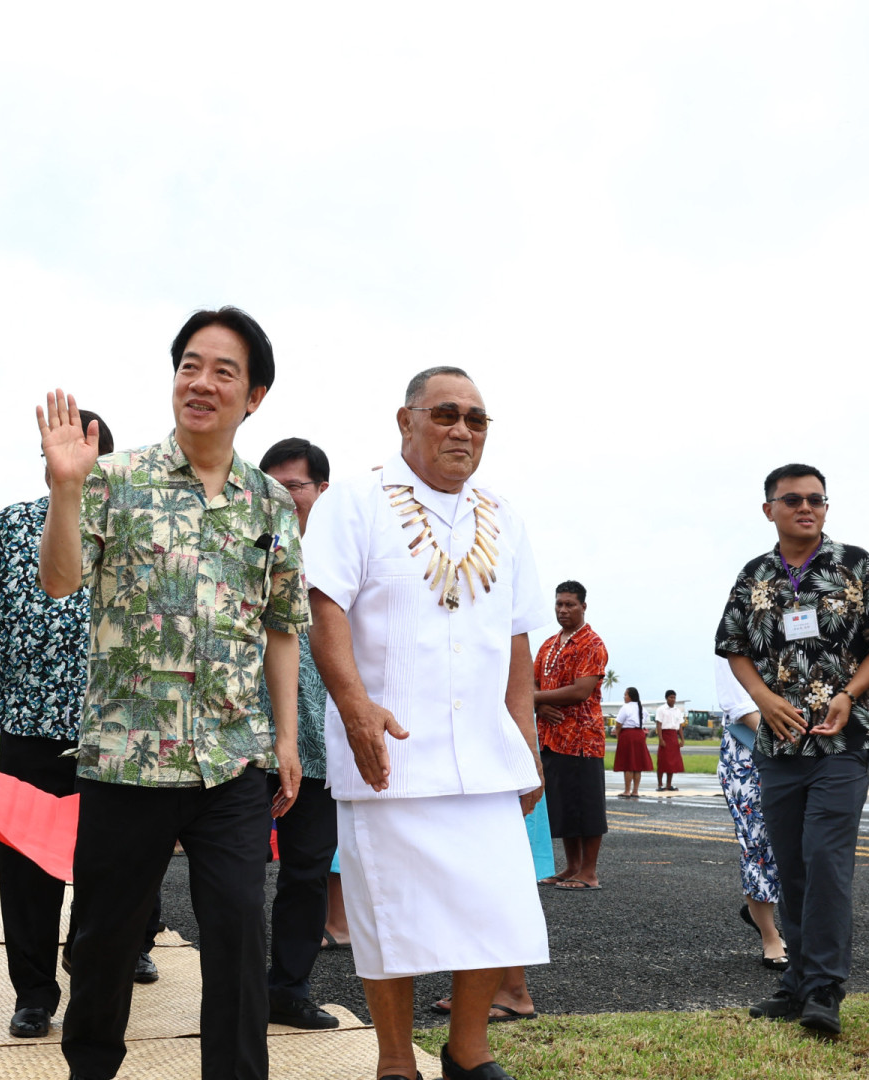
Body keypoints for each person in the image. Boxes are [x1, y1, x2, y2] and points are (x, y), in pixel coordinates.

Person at [36, 308, 307, 1080]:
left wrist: (285, 741)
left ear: (254, 395)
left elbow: (282, 627)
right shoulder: (115, 480)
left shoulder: (269, 505)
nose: (202, 382)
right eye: (190, 364)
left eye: (224, 370)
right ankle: (91, 1067)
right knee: (105, 940)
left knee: (236, 937)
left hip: (232, 760)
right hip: (128, 757)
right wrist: (65, 490)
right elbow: (61, 581)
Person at [306, 365, 547, 1080]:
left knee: (493, 909)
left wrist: (525, 738)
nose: (462, 430)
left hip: (484, 754)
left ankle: (468, 1053)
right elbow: (326, 611)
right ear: (405, 419)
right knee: (392, 921)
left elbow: (515, 639)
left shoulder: (504, 516)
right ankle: (393, 1063)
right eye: (446, 414)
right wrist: (353, 707)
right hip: (392, 751)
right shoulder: (354, 501)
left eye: (477, 419)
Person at [0, 422, 172, 1042]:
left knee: (108, 870)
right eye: (57, 454)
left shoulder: (136, 525)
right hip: (27, 728)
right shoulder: (15, 523)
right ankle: (32, 996)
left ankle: (91, 977)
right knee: (27, 872)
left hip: (115, 734)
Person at [716, 463, 869, 1037]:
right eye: (793, 499)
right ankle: (796, 979)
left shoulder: (856, 565)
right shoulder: (755, 576)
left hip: (844, 737)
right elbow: (734, 645)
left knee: (826, 857)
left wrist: (849, 694)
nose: (807, 507)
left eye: (817, 500)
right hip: (780, 741)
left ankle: (824, 989)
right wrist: (762, 698)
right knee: (791, 861)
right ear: (768, 508)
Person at [258, 438, 343, 1030]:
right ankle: (232, 989)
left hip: (316, 747)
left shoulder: (343, 558)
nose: (283, 496)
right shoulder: (237, 546)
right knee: (228, 877)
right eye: (272, 483)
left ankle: (288, 986)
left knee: (307, 873)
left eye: (296, 486)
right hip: (237, 739)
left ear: (322, 492)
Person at [714, 658, 788, 971]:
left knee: (799, 843)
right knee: (757, 843)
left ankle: (780, 918)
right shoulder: (735, 630)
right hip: (749, 750)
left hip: (801, 745)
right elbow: (738, 703)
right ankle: (770, 935)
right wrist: (785, 737)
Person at [535, 582, 609, 890]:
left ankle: (589, 873)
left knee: (585, 805)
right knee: (564, 804)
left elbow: (581, 690)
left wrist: (536, 699)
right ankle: (572, 867)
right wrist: (539, 705)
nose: (563, 610)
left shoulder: (592, 644)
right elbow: (531, 684)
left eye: (570, 605)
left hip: (583, 738)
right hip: (553, 736)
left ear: (583, 607)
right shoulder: (549, 644)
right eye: (559, 604)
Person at [611, 687, 651, 798]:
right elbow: (644, 720)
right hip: (639, 734)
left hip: (628, 734)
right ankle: (635, 791)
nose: (624, 697)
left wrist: (618, 736)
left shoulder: (626, 707)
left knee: (628, 763)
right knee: (637, 765)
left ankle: (627, 790)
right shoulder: (641, 708)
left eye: (625, 695)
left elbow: (618, 724)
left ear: (630, 696)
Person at [654, 690, 686, 792]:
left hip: (673, 736)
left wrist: (682, 739)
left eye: (674, 698)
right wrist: (660, 739)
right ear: (666, 698)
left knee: (672, 763)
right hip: (665, 735)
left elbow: (680, 726)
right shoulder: (661, 709)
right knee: (663, 761)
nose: (673, 699)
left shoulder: (677, 710)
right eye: (670, 697)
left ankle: (669, 784)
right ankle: (660, 784)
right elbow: (658, 725)